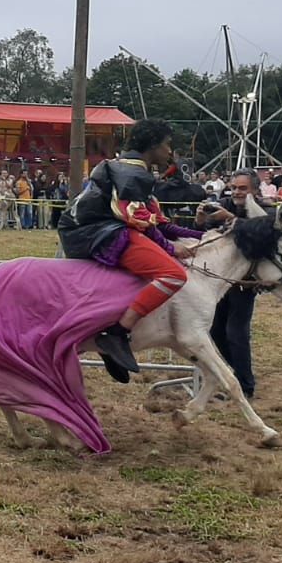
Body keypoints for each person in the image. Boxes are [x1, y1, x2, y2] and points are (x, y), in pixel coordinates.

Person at [58, 119, 217, 381]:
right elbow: (138, 220)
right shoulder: (133, 174)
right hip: (96, 234)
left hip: (96, 230)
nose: (169, 152)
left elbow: (159, 223)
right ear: (152, 145)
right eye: (166, 145)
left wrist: (206, 236)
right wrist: (169, 248)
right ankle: (118, 333)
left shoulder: (130, 170)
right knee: (173, 274)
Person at [210, 170, 264, 397]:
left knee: (236, 333)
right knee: (216, 331)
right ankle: (238, 372)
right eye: (234, 187)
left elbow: (261, 233)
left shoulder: (264, 210)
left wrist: (230, 219)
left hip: (245, 282)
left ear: (254, 190)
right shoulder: (223, 204)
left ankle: (245, 385)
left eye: (243, 188)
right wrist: (202, 221)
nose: (237, 192)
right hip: (219, 281)